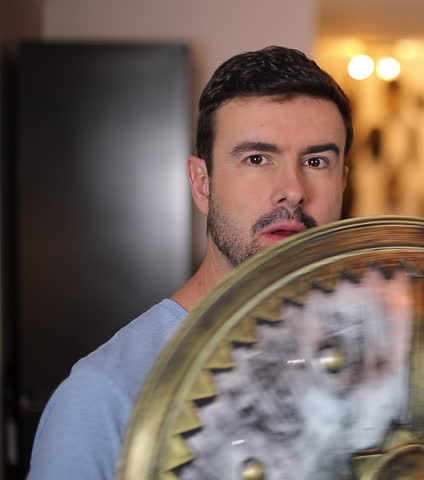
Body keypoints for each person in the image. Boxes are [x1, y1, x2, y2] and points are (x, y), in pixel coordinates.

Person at [27, 45, 352, 480]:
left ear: (344, 183)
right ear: (202, 184)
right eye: (257, 159)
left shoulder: (374, 363)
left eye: (316, 161)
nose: (292, 189)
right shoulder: (104, 396)